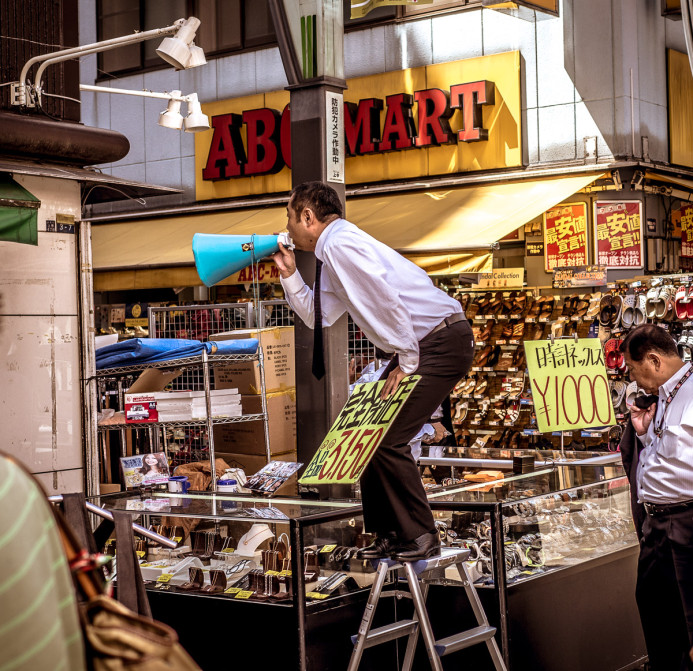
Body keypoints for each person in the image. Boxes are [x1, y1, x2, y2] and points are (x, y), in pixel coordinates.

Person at [272, 181, 474, 562]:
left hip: (437, 342)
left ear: (307, 216)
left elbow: (387, 300)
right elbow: (322, 314)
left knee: (387, 438)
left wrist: (407, 361)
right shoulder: (334, 248)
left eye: (289, 216)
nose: (288, 226)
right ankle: (389, 532)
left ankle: (420, 534)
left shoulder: (340, 245)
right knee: (367, 434)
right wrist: (289, 275)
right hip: (425, 341)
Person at [619, 324, 693, 671]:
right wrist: (645, 436)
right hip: (658, 525)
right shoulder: (663, 395)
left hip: (687, 524)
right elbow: (672, 457)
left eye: (633, 369)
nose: (632, 379)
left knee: (687, 625)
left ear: (653, 359)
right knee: (657, 614)